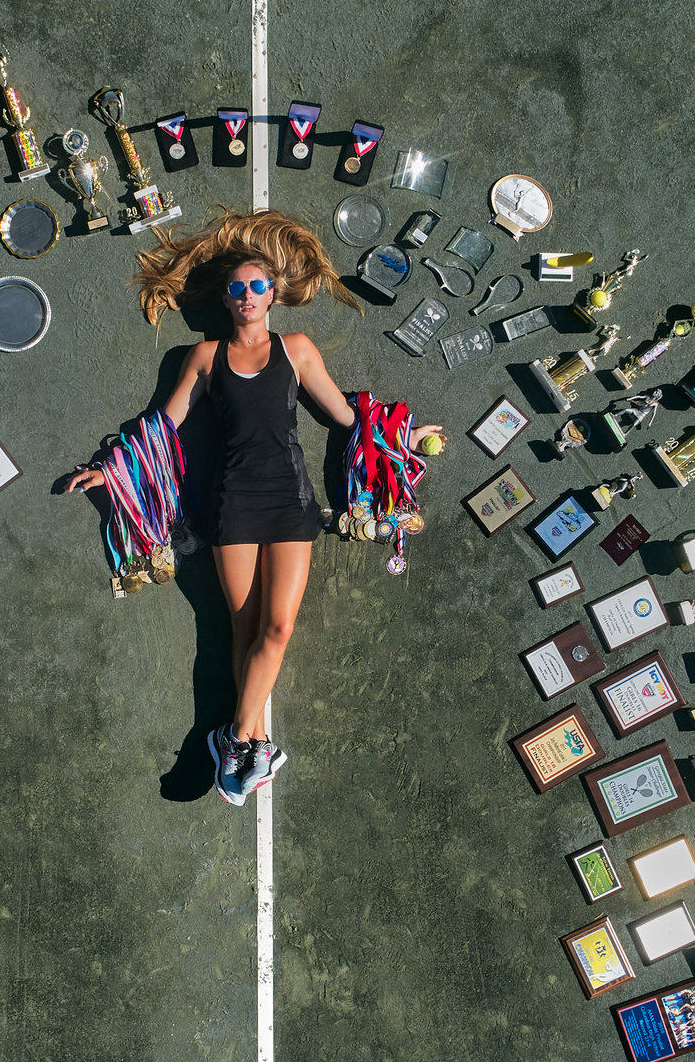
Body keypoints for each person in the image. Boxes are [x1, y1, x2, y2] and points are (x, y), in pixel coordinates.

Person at [64, 210, 437, 804]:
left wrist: (406, 436)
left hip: (290, 505)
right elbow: (163, 426)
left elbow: (345, 417)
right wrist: (110, 468)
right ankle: (254, 748)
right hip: (230, 508)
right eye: (235, 288)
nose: (246, 296)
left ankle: (236, 738)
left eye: (256, 286)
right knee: (241, 630)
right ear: (226, 297)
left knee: (278, 627)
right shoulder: (204, 358)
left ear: (274, 294)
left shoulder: (298, 349)